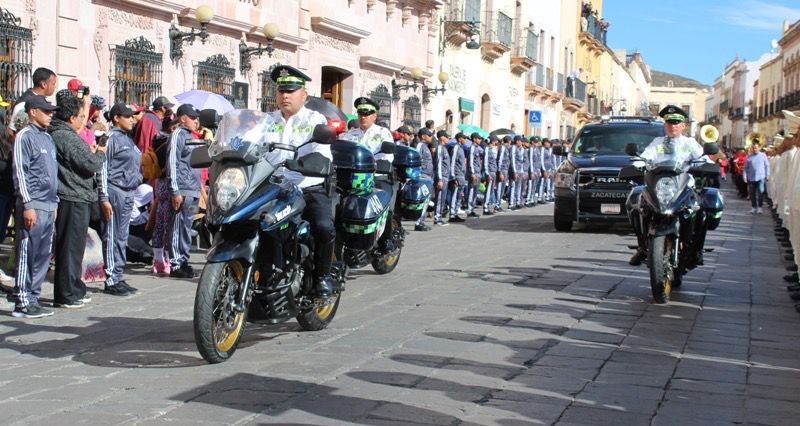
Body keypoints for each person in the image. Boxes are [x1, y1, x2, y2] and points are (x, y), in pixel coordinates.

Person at [261, 65, 335, 298]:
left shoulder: (315, 120)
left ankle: (323, 276)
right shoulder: (266, 120)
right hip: (271, 187)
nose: (285, 95)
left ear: (304, 94)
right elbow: (248, 145)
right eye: (281, 90)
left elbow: (322, 153)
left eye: (291, 90)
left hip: (306, 186)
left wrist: (307, 163)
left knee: (323, 226)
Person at [49, 90, 107, 308]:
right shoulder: (64, 136)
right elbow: (90, 164)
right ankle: (66, 293)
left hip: (77, 194)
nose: (83, 121)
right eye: (81, 117)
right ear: (72, 118)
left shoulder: (63, 134)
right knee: (70, 249)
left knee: (74, 249)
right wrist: (100, 151)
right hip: (72, 196)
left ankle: (74, 287)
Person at [629, 105, 705, 267]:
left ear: (683, 125)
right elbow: (644, 157)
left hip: (682, 187)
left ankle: (696, 249)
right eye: (669, 122)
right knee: (635, 202)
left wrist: (705, 165)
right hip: (659, 185)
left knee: (700, 209)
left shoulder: (690, 143)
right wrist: (636, 164)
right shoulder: (657, 143)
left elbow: (703, 159)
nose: (673, 125)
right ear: (665, 124)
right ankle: (642, 246)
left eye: (677, 122)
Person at [10, 96, 59, 318]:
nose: (50, 114)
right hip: (33, 204)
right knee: (27, 251)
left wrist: (54, 202)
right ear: (32, 112)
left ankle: (34, 297)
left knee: (43, 254)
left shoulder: (47, 139)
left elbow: (52, 173)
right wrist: (27, 204)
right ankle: (22, 299)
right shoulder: (25, 136)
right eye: (45, 111)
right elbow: (21, 172)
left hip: (49, 205)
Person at [98, 103, 143, 296]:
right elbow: (102, 168)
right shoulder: (109, 138)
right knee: (112, 235)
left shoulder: (128, 139)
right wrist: (104, 197)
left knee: (122, 236)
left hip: (128, 191)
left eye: (132, 116)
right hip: (115, 190)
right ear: (116, 117)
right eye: (127, 116)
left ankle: (118, 273)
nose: (132, 119)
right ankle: (111, 278)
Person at [342, 97, 396, 251]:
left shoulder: (382, 133)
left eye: (367, 113)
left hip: (377, 177)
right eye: (360, 112)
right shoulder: (350, 135)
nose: (363, 116)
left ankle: (387, 240)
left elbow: (387, 157)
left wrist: (371, 163)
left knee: (383, 203)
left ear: (374, 115)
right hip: (352, 179)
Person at [165, 104, 202, 279]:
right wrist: (174, 190)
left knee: (186, 227)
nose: (196, 121)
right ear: (183, 118)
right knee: (178, 227)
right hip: (182, 190)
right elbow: (172, 162)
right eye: (193, 117)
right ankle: (176, 263)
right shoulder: (178, 135)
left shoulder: (191, 136)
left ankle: (183, 259)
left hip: (192, 189)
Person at [9, 68, 57, 133]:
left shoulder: (41, 100)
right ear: (44, 85)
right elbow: (11, 132)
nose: (55, 87)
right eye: (53, 84)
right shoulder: (24, 103)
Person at [414, 128, 434, 231]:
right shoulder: (420, 146)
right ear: (423, 136)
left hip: (428, 176)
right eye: (429, 135)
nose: (431, 137)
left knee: (426, 200)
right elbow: (417, 160)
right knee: (423, 200)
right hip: (423, 176)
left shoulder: (425, 146)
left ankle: (421, 221)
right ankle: (418, 222)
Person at [744, 141, 769, 214]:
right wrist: (745, 176)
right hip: (751, 178)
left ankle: (760, 207)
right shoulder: (749, 156)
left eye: (756, 148)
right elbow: (745, 168)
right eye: (753, 148)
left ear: (759, 148)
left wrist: (767, 175)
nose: (755, 149)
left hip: (761, 177)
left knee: (760, 192)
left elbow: (767, 166)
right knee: (752, 193)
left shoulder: (763, 155)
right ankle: (753, 207)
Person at [433, 130, 451, 226]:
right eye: (446, 137)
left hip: (445, 176)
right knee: (439, 198)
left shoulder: (444, 148)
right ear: (441, 138)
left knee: (442, 198)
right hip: (441, 177)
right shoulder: (440, 148)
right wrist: (439, 179)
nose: (448, 139)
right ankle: (437, 218)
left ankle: (439, 217)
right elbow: (439, 164)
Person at [448, 133, 467, 222]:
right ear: (459, 139)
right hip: (457, 175)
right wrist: (453, 177)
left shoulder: (461, 148)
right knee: (455, 195)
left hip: (461, 175)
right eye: (464, 138)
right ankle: (452, 215)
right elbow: (452, 162)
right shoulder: (456, 148)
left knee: (459, 196)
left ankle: (455, 213)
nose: (465, 140)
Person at [465, 133, 483, 217]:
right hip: (474, 173)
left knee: (475, 191)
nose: (480, 140)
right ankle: (469, 209)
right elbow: (471, 161)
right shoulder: (472, 148)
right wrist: (472, 173)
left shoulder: (476, 148)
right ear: (474, 139)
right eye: (479, 138)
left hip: (477, 172)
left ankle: (472, 208)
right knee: (471, 190)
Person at [482, 135, 499, 215]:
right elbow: (485, 162)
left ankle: (488, 206)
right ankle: (485, 208)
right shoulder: (487, 149)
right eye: (496, 140)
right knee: (488, 190)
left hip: (493, 171)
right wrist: (487, 173)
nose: (497, 142)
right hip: (490, 172)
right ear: (493, 141)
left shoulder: (493, 149)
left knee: (491, 190)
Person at [495, 136, 511, 211]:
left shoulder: (507, 148)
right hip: (502, 170)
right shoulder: (503, 148)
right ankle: (497, 205)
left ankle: (499, 204)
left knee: (502, 189)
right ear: (508, 141)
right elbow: (500, 160)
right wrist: (500, 172)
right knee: (499, 188)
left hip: (506, 170)